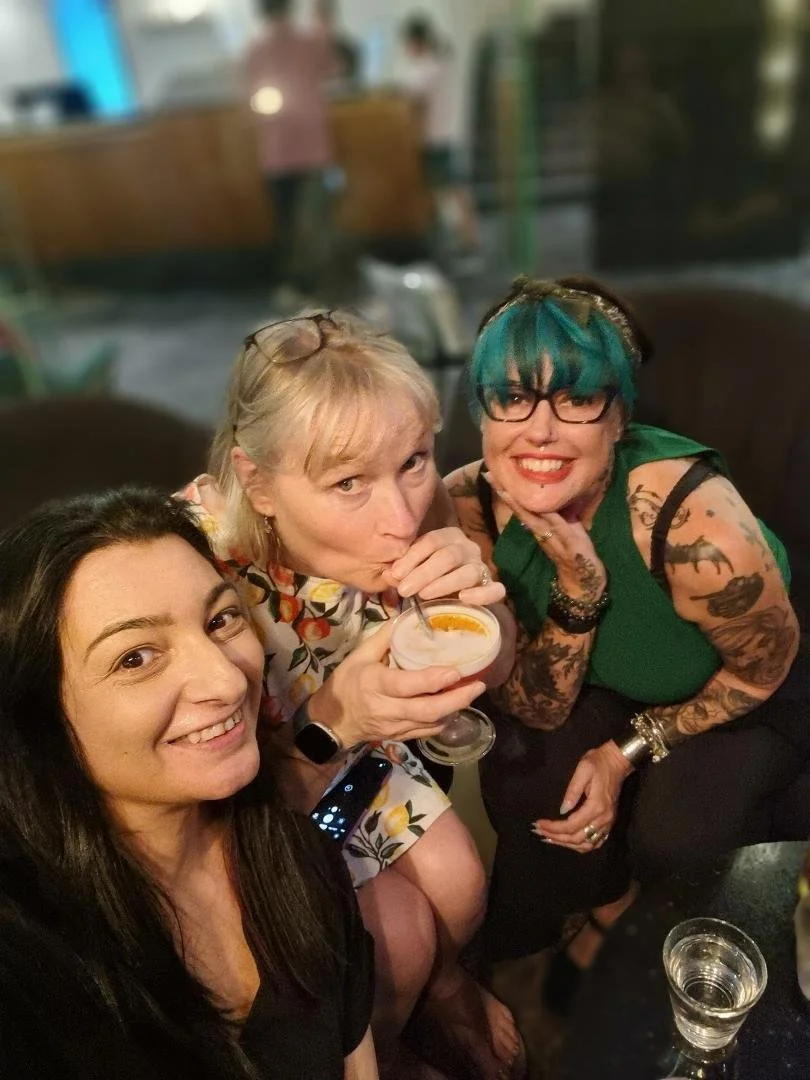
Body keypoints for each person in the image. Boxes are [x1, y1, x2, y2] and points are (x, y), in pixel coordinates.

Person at [446, 274, 810, 1005]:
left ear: (619, 418)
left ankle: (678, 928)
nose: (538, 432)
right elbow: (539, 707)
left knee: (680, 826)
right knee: (523, 770)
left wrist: (625, 753)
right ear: (482, 411)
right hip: (608, 676)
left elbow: (762, 668)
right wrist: (579, 594)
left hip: (738, 687)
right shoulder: (469, 504)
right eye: (512, 397)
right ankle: (609, 916)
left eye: (577, 399)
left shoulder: (691, 517)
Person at [179, 310, 525, 1080]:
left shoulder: (419, 505)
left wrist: (487, 615)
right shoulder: (190, 560)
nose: (400, 519)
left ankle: (443, 990)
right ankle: (388, 1047)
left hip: (363, 754)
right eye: (347, 483)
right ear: (259, 483)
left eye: (414, 460)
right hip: (246, 799)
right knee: (393, 936)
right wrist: (341, 718)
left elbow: (492, 667)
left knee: (461, 884)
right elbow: (197, 802)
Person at [0, 487, 377, 1079]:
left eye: (221, 619)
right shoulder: (29, 973)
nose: (226, 681)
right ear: (38, 719)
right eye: (136, 658)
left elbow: (356, 1060)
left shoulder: (291, 850)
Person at [244, 0, 337, 308]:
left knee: (286, 222)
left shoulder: (254, 50)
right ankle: (310, 285)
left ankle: (291, 285)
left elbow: (250, 99)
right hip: (313, 149)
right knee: (311, 221)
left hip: (276, 153)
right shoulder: (311, 42)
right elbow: (333, 70)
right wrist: (324, 21)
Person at [398, 13, 480, 259]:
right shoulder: (442, 63)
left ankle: (463, 243)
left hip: (432, 140)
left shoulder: (424, 70)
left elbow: (412, 102)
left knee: (447, 193)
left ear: (415, 42)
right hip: (448, 136)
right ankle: (468, 240)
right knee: (455, 192)